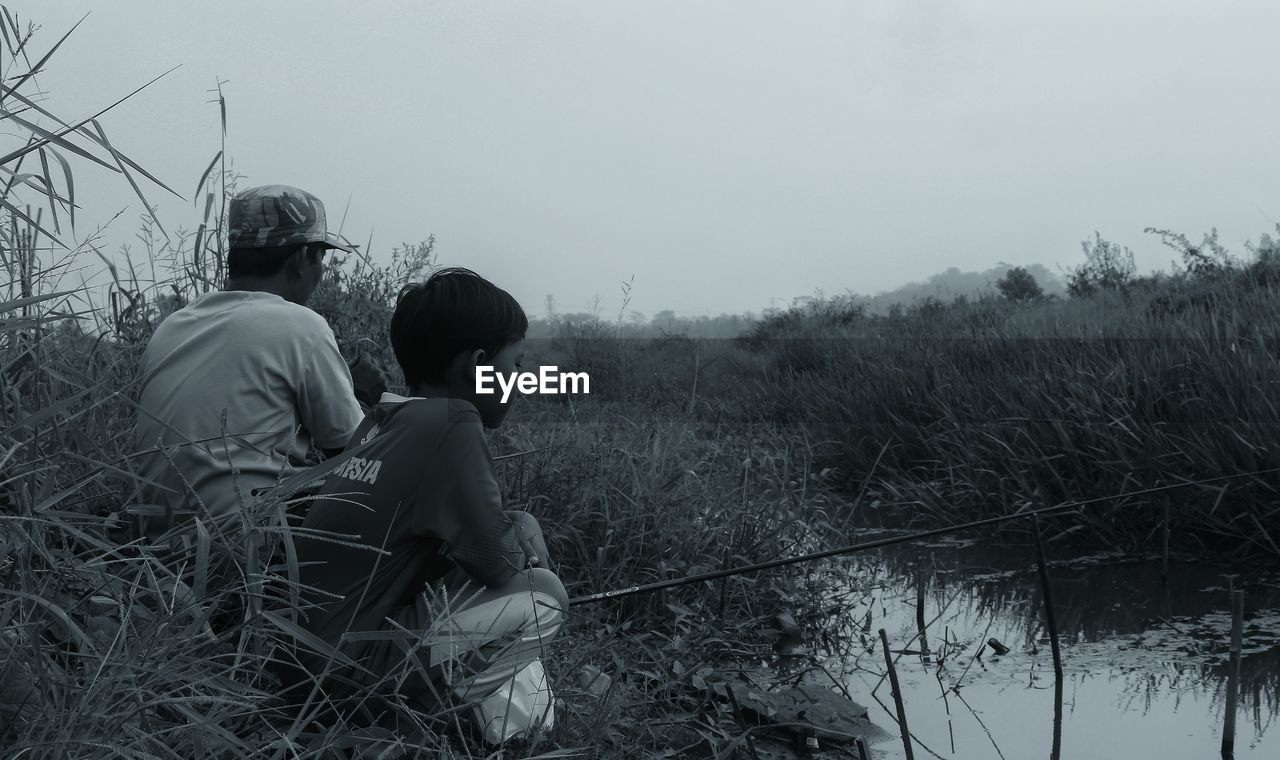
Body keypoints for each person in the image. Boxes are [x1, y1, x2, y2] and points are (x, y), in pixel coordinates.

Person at [286, 268, 568, 744]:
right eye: (516, 366)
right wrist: (531, 542)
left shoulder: (385, 419)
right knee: (543, 597)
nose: (520, 380)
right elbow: (499, 566)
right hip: (343, 677)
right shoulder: (454, 421)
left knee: (512, 539)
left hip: (304, 656)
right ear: (478, 363)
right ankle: (413, 726)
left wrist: (520, 525)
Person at [131, 184, 383, 545]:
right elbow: (355, 456)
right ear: (300, 260)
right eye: (320, 259)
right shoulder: (300, 325)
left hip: (160, 543)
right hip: (246, 543)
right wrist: (367, 402)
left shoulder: (173, 325)